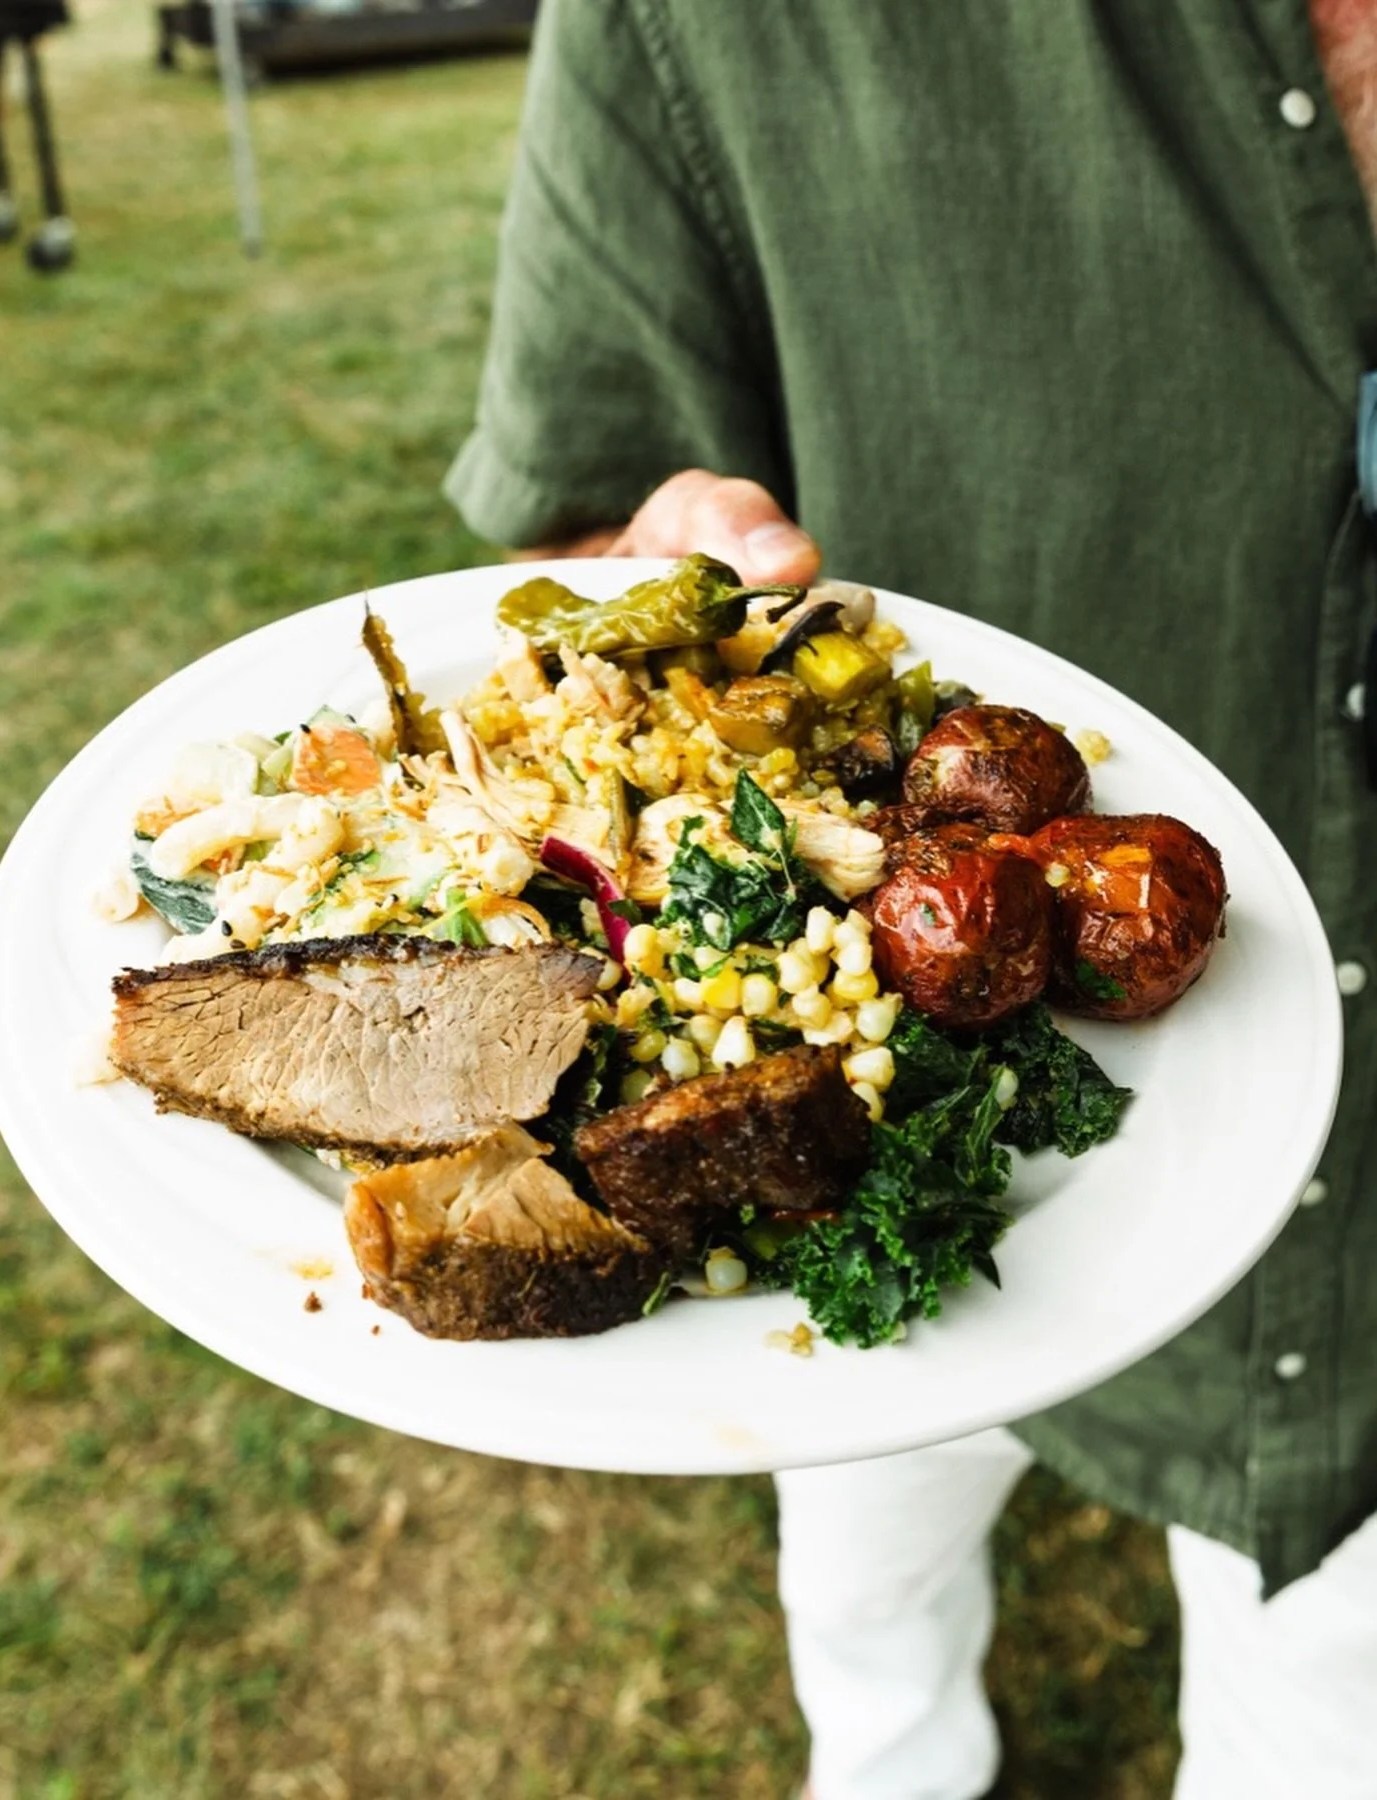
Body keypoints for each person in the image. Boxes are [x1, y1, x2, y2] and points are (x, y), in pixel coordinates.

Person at [443, 5, 1377, 1796]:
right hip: (865, 1113)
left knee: (1328, 1706)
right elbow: (575, 522)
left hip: (1368, 1231)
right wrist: (646, 604)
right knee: (873, 1617)